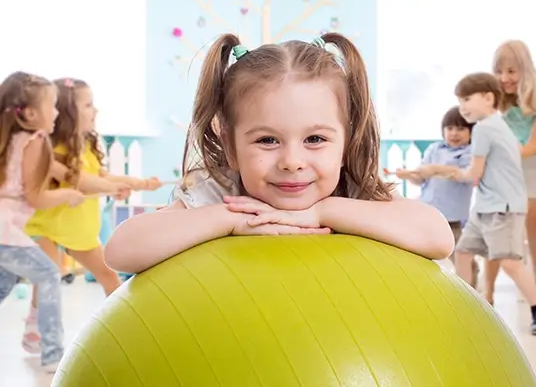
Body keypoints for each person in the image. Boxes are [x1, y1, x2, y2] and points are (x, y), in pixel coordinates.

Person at [104, 33, 454, 274]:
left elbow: (437, 237)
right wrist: (230, 220)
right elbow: (121, 250)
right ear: (230, 146)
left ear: (346, 143)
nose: (292, 162)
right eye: (268, 140)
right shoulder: (221, 195)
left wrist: (323, 212)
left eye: (315, 139)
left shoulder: (353, 189)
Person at [21, 78, 161, 354]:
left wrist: (139, 183)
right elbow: (81, 181)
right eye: (88, 105)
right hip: (45, 225)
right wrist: (110, 187)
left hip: (76, 228)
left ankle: (123, 325)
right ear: (68, 113)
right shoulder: (51, 150)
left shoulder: (86, 146)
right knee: (49, 275)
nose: (95, 110)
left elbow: (101, 177)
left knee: (108, 275)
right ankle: (37, 330)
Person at [0, 71, 85, 372]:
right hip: (5, 231)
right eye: (52, 106)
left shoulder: (11, 140)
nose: (57, 113)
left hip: (6, 230)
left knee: (5, 280)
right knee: (49, 273)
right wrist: (68, 195)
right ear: (30, 114)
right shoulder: (34, 140)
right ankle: (52, 354)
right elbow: (35, 197)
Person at [447, 72, 536, 332]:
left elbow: (475, 171)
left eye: (467, 99)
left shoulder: (484, 128)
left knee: (510, 262)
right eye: (459, 101)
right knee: (463, 251)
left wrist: (458, 174)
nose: (462, 107)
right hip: (487, 205)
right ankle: (466, 304)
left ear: (488, 98)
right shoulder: (499, 125)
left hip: (502, 207)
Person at [395, 106, 479, 286]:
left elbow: (464, 175)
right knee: (422, 255)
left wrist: (435, 169)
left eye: (460, 128)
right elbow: (420, 179)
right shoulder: (435, 149)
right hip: (429, 215)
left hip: (453, 219)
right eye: (450, 128)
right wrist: (409, 175)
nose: (454, 133)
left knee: (462, 258)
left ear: (471, 132)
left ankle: (472, 290)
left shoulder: (470, 153)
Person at [483, 40, 536, 303]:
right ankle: (487, 294)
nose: (504, 78)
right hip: (502, 181)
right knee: (496, 239)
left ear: (525, 69)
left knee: (532, 239)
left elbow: (531, 147)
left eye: (512, 71)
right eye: (499, 71)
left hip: (530, 178)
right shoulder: (495, 103)